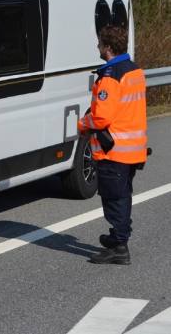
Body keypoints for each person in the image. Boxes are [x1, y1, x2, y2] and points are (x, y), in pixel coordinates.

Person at [78, 25, 147, 265]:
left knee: (113, 198)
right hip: (133, 148)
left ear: (107, 47)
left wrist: (82, 123)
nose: (97, 47)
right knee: (123, 195)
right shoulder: (134, 70)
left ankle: (119, 245)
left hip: (114, 150)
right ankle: (119, 237)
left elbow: (101, 118)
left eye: (99, 43)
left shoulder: (110, 77)